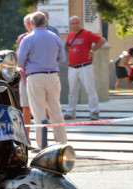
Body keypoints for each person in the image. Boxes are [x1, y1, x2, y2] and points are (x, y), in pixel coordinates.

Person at [17, 12, 68, 149]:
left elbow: (20, 61)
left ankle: (41, 145)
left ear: (32, 23)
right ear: (45, 22)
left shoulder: (28, 39)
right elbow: (62, 58)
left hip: (35, 76)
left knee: (38, 112)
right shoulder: (54, 37)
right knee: (56, 110)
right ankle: (62, 143)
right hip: (52, 75)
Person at [64, 16, 107, 121]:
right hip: (72, 67)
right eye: (72, 23)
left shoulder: (86, 34)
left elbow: (102, 40)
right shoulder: (70, 35)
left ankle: (94, 111)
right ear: (70, 25)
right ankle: (70, 111)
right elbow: (66, 45)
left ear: (80, 23)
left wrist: (92, 49)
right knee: (72, 91)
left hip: (85, 66)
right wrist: (72, 51)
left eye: (76, 23)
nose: (74, 25)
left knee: (90, 89)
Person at [16, 13, 34, 135]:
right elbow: (18, 57)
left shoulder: (40, 37)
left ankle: (41, 137)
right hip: (24, 75)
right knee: (25, 107)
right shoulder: (22, 38)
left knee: (40, 109)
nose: (29, 25)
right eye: (27, 23)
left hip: (36, 75)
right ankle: (26, 136)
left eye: (31, 22)